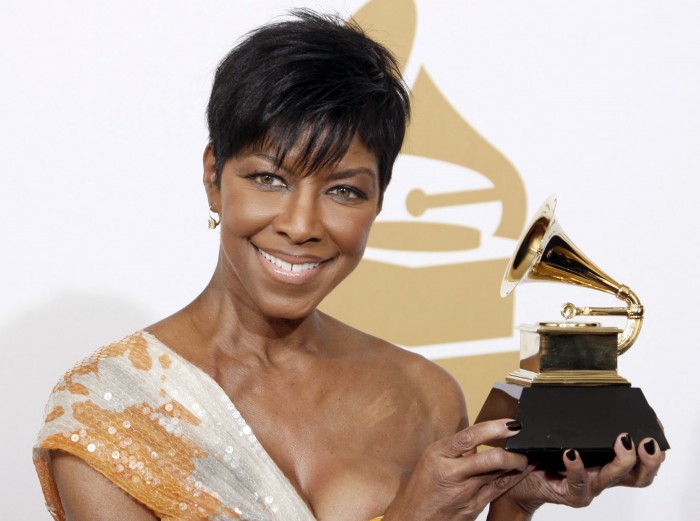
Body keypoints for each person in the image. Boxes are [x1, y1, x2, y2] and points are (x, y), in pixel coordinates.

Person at [33, 10, 664, 521]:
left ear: (379, 202)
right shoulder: (109, 409)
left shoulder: (424, 395)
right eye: (269, 179)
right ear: (212, 178)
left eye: (344, 191)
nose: (302, 225)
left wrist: (515, 506)